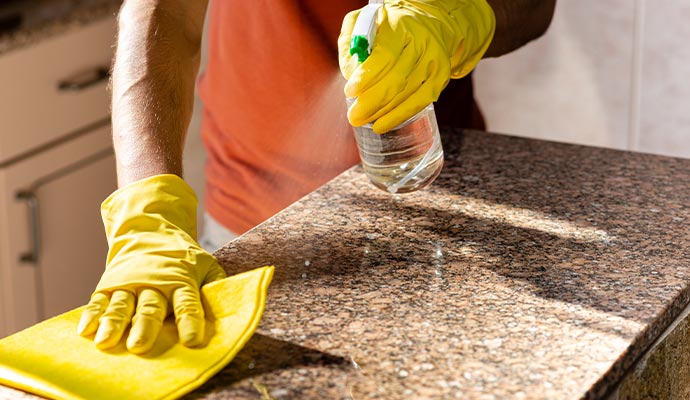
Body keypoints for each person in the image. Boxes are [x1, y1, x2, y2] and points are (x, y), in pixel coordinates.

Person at [77, 0, 556, 354]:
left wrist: (455, 16)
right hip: (256, 228)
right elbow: (164, 13)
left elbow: (534, 8)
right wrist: (147, 208)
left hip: (441, 204)